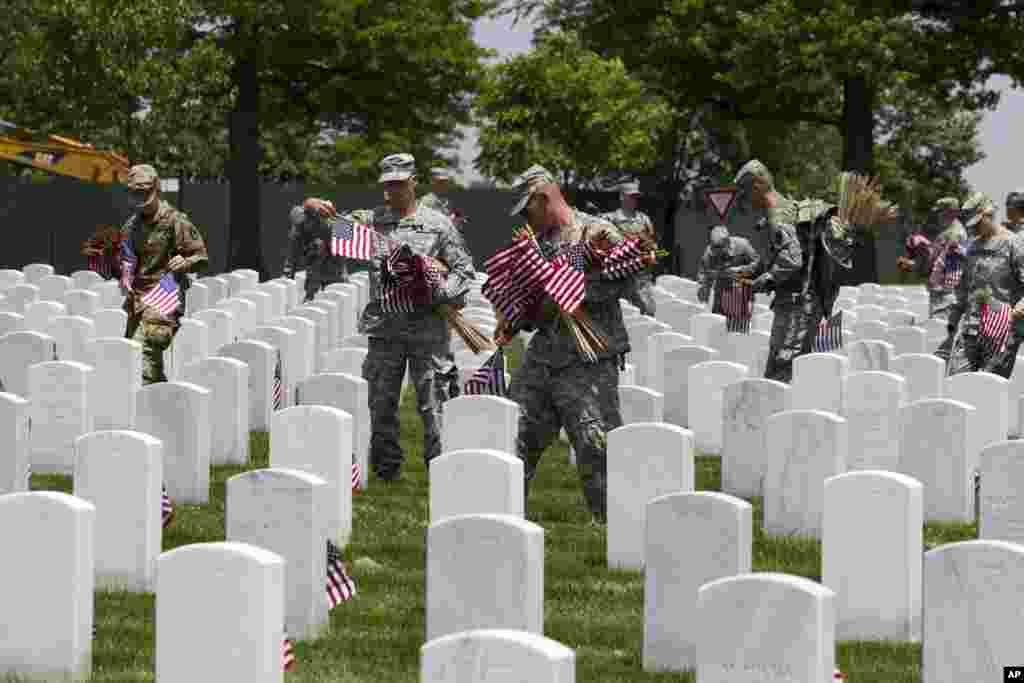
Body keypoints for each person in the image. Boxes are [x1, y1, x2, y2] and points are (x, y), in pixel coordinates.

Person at [303, 153, 474, 481]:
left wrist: (438, 291)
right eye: (386, 185)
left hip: (428, 331)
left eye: (397, 184)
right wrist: (313, 208)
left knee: (435, 405)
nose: (390, 192)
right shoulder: (371, 223)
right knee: (380, 405)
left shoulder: (438, 225)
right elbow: (323, 232)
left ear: (413, 182)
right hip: (385, 331)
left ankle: (441, 472)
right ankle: (386, 471)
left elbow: (464, 271)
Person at [495, 165, 642, 524]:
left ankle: (609, 524)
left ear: (543, 199)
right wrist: (516, 315)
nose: (526, 219)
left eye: (527, 209)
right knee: (515, 433)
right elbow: (534, 301)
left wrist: (575, 291)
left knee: (595, 443)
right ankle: (503, 515)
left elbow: (625, 280)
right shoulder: (538, 242)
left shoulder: (596, 232)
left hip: (588, 359)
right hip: (544, 355)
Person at [733, 159, 855, 383]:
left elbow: (792, 259)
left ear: (759, 185)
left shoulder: (777, 214)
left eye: (746, 192)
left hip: (798, 304)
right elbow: (776, 255)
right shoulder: (783, 208)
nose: (746, 200)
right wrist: (748, 271)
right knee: (784, 367)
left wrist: (764, 281)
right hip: (796, 303)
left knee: (783, 369)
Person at [119, 164, 208, 384]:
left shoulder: (175, 220)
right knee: (132, 356)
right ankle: (162, 401)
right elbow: (127, 259)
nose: (140, 197)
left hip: (165, 291)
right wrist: (125, 274)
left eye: (144, 192)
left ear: (156, 189)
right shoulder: (132, 226)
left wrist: (185, 262)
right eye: (135, 192)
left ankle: (148, 401)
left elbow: (201, 256)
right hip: (139, 297)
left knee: (145, 348)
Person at [945, 192, 1024, 378]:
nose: (974, 229)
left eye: (978, 223)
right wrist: (953, 321)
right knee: (956, 381)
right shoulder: (972, 246)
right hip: (971, 327)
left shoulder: (1014, 243)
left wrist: (1021, 307)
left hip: (1002, 330)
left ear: (989, 215)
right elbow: (963, 287)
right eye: (971, 225)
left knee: (988, 390)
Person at [896, 197, 967, 319]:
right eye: (938, 212)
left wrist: (916, 262)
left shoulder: (955, 234)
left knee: (939, 331)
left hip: (946, 293)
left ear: (953, 212)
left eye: (941, 212)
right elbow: (934, 258)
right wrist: (912, 263)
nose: (938, 215)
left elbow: (938, 263)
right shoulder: (946, 231)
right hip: (940, 292)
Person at [601, 181, 657, 315]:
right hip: (619, 277)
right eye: (630, 196)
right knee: (621, 315)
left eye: (636, 196)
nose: (634, 199)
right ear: (621, 197)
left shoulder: (644, 219)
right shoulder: (610, 219)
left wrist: (651, 254)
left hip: (641, 278)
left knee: (648, 312)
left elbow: (653, 246)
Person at [282, 204, 350, 303]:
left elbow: (342, 242)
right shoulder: (297, 231)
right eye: (299, 224)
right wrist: (288, 274)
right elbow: (293, 254)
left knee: (336, 276)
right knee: (314, 258)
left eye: (304, 222)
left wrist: (342, 269)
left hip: (335, 243)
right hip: (317, 251)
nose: (302, 226)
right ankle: (310, 295)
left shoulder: (327, 222)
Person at [695, 225, 760, 313]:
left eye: (720, 247)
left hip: (741, 291)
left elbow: (757, 264)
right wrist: (703, 286)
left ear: (727, 241)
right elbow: (703, 271)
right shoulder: (710, 251)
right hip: (720, 293)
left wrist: (740, 270)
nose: (718, 251)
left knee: (737, 324)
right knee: (718, 323)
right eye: (716, 247)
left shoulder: (742, 245)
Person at [419, 167, 466, 235]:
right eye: (440, 182)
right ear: (432, 181)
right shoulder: (425, 202)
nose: (444, 184)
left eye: (445, 181)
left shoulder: (449, 202)